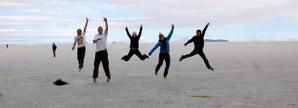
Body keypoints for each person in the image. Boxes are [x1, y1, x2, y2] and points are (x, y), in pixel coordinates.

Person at [92, 17, 111, 83]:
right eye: (99, 29)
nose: (100, 30)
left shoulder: (104, 34)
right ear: (98, 30)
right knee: (96, 65)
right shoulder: (96, 35)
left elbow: (107, 28)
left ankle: (108, 76)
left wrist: (106, 21)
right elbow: (93, 42)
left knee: (105, 65)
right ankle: (94, 77)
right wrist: (97, 39)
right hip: (97, 52)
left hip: (104, 52)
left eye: (101, 29)